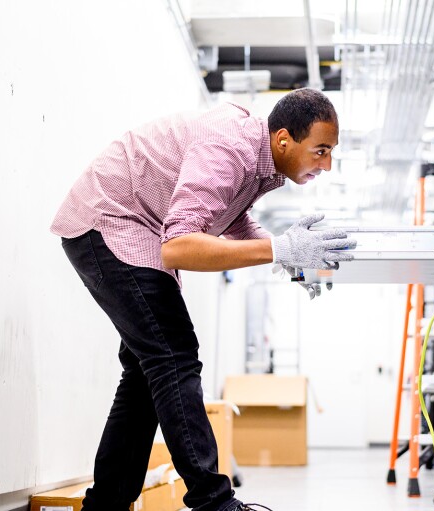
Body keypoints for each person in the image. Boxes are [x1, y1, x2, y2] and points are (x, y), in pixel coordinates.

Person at [50, 88, 356, 511]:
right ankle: (214, 503)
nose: (327, 164)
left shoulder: (257, 156)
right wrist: (280, 249)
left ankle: (105, 506)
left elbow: (227, 215)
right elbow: (178, 246)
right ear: (284, 139)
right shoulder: (230, 147)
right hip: (110, 221)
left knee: (146, 373)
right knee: (174, 357)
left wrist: (289, 255)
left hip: (127, 225)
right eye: (321, 150)